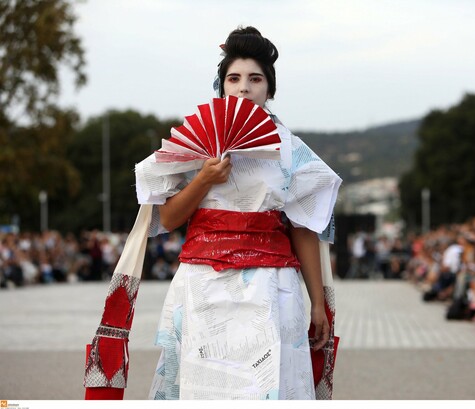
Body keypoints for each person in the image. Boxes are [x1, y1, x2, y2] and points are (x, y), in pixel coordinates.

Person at [135, 26, 342, 400]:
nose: (244, 88)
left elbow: (303, 229)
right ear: (222, 86)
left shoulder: (290, 150)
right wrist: (203, 180)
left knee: (270, 387)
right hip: (203, 284)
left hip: (273, 286)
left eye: (255, 78)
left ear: (270, 88)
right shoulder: (195, 140)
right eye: (234, 78)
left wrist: (317, 302)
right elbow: (167, 219)